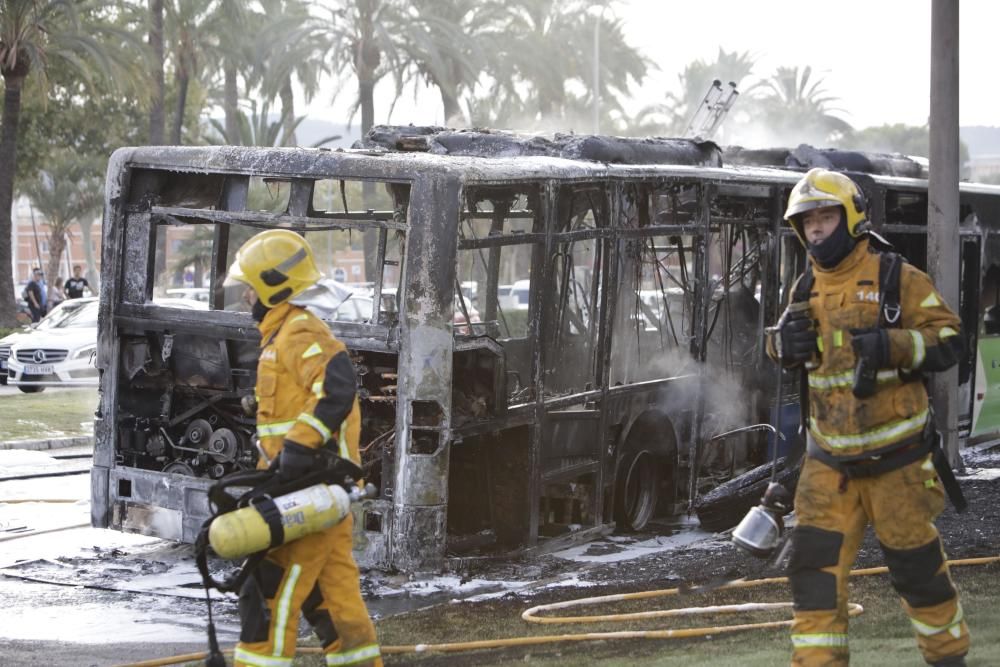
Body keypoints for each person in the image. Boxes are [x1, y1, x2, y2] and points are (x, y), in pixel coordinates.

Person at [766, 168, 969, 667]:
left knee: (917, 573)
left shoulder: (897, 277)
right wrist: (778, 345)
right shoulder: (803, 288)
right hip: (827, 469)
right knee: (813, 580)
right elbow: (781, 346)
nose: (816, 229)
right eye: (807, 220)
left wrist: (894, 345)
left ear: (851, 217)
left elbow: (952, 342)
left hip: (897, 465)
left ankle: (948, 658)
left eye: (826, 217)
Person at [223, 229, 382, 667]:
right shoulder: (280, 337)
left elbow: (337, 384)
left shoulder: (299, 331)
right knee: (335, 599)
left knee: (271, 592)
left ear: (273, 289)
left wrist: (298, 449)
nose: (244, 300)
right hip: (306, 490)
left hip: (307, 486)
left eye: (249, 290)